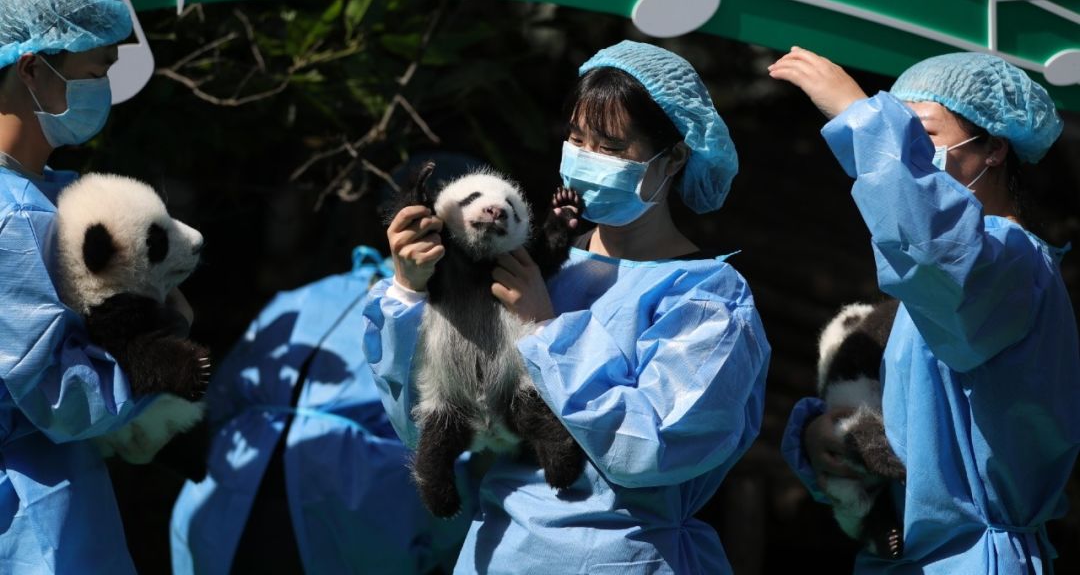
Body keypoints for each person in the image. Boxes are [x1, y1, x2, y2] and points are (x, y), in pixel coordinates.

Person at [363, 40, 771, 574]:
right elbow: (426, 424)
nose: (586, 159)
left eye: (611, 147)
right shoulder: (528, 266)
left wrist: (544, 329)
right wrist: (411, 291)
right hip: (499, 550)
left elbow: (649, 449)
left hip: (618, 556)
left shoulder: (707, 297)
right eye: (577, 140)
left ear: (673, 157)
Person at [770, 47, 1080, 573]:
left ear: (994, 149)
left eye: (923, 135)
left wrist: (861, 118)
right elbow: (920, 435)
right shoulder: (948, 277)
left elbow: (934, 244)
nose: (907, 150)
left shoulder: (1007, 263)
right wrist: (831, 437)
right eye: (898, 134)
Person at [170, 247, 472, 574]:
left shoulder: (450, 315)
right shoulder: (308, 294)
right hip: (246, 491)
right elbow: (222, 396)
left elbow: (451, 437)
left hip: (352, 504)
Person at [0, 0, 157, 573]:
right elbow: (63, 400)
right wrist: (157, 351)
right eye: (96, 73)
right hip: (28, 512)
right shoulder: (12, 218)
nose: (104, 91)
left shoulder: (51, 192)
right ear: (33, 67)